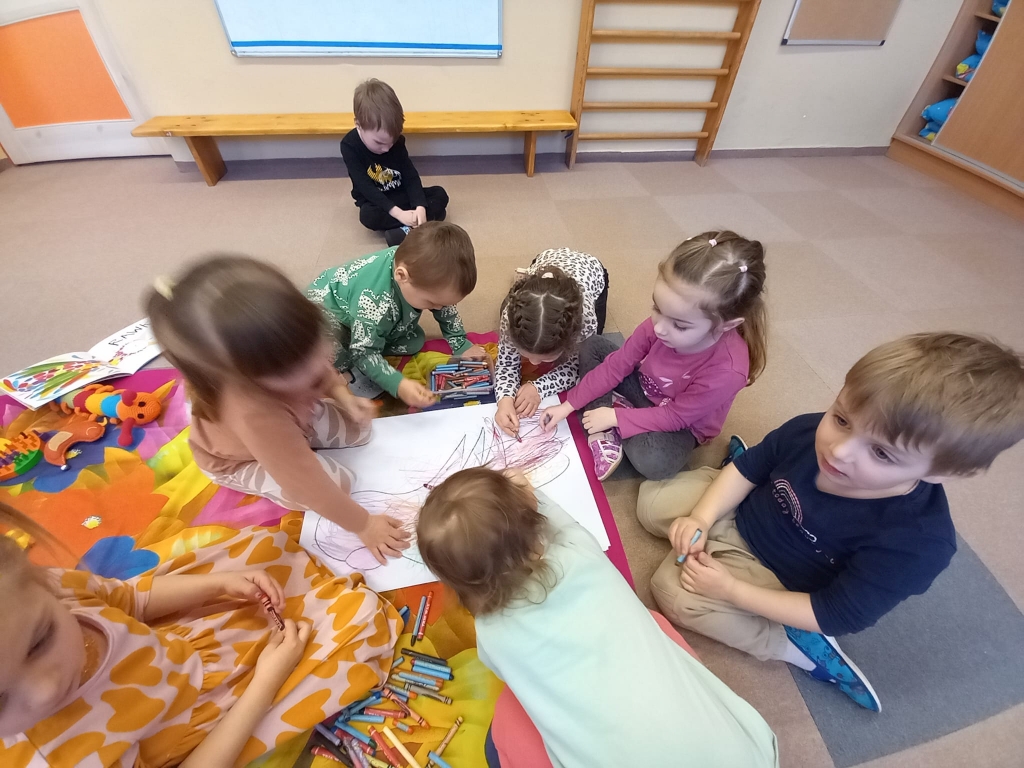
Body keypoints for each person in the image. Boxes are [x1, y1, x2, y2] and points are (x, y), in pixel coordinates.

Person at [638, 332, 1024, 712]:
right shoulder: (809, 431)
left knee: (675, 596)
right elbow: (751, 468)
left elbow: (836, 613)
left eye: (882, 454)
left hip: (777, 575)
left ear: (943, 471)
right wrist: (702, 517)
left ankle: (797, 647)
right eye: (841, 419)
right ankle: (724, 502)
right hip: (752, 509)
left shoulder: (918, 543)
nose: (838, 451)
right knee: (651, 503)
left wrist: (731, 591)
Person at [416, 467, 779, 768]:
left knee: (503, 731)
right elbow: (566, 525)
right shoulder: (580, 553)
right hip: (748, 756)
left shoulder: (490, 634)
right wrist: (532, 493)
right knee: (652, 626)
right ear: (533, 526)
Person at [0, 503, 399, 768]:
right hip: (207, 727)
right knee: (360, 624)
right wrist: (266, 682)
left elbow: (129, 599)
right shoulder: (58, 759)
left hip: (184, 647)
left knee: (267, 547)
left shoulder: (50, 590)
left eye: (39, 640)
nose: (46, 688)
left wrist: (219, 585)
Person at [147, 256, 409, 565]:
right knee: (338, 485)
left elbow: (321, 370)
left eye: (314, 348)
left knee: (361, 429)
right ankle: (285, 454)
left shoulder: (291, 345)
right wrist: (363, 525)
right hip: (240, 459)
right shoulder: (254, 414)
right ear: (246, 379)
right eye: (295, 371)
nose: (315, 363)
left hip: (294, 418)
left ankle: (300, 436)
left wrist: (344, 397)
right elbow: (308, 485)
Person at [540, 231, 767, 481]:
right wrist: (567, 405)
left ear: (726, 325)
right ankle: (608, 425)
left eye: (679, 325)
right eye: (657, 308)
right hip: (646, 389)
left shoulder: (728, 371)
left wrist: (615, 417)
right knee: (592, 346)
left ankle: (613, 414)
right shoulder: (661, 324)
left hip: (681, 425)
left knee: (654, 461)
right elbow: (617, 365)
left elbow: (675, 417)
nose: (659, 328)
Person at [308, 221, 487, 408]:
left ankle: (366, 353)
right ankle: (346, 375)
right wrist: (398, 384)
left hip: (364, 317)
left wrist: (460, 342)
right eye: (431, 303)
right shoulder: (375, 301)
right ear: (402, 276)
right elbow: (363, 352)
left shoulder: (415, 268)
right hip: (323, 315)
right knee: (328, 353)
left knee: (414, 340)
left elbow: (444, 305)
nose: (439, 308)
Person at [494, 249, 608, 438]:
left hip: (593, 271)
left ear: (569, 341)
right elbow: (506, 363)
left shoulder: (584, 319)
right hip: (545, 259)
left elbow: (576, 367)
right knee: (506, 306)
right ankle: (530, 274)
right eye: (526, 354)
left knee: (594, 347)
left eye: (544, 358)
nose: (534, 363)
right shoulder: (510, 315)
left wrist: (539, 388)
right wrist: (504, 400)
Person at [341, 78, 448, 246]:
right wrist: (399, 214)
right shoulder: (349, 146)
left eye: (391, 142)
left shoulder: (396, 143)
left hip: (400, 194)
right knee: (368, 216)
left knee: (439, 194)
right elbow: (365, 187)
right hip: (376, 201)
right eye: (379, 143)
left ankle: (406, 229)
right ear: (358, 124)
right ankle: (421, 225)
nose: (386, 149)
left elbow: (410, 176)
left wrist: (420, 206)